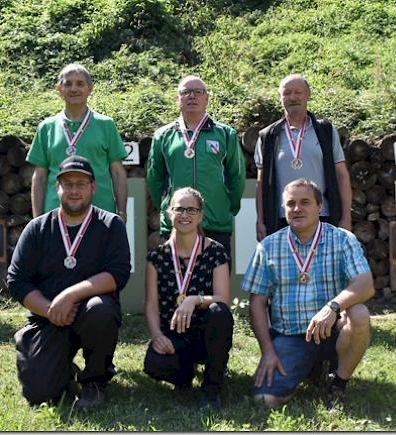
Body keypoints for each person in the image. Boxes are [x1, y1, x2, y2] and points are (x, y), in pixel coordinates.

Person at [7, 155, 131, 409]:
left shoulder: (110, 225)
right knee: (40, 393)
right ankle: (48, 355)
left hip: (90, 313)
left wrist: (70, 295)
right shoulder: (37, 228)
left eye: (81, 183)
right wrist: (50, 310)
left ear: (93, 187)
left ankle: (95, 381)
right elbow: (16, 281)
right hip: (48, 317)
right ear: (57, 187)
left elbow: (119, 273)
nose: (74, 190)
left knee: (101, 310)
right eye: (68, 184)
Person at [241, 178, 374, 409]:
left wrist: (332, 307)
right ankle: (311, 368)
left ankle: (338, 384)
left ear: (319, 206)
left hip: (333, 330)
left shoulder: (342, 239)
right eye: (290, 204)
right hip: (291, 335)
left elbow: (365, 284)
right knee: (265, 400)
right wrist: (268, 351)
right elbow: (257, 304)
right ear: (284, 209)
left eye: (305, 202)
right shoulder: (268, 246)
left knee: (359, 313)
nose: (297, 209)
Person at [143, 187, 233, 410]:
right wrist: (156, 336)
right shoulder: (156, 257)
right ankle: (184, 374)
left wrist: (194, 299)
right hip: (173, 335)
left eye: (192, 210)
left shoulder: (216, 251)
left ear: (201, 215)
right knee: (155, 365)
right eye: (179, 209)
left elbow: (222, 299)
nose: (185, 215)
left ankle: (211, 389)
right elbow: (152, 305)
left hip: (205, 332)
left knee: (219, 313)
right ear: (168, 213)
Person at [146, 75, 246, 263]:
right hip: (177, 224)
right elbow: (154, 177)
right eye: (186, 92)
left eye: (198, 92)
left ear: (206, 98)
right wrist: (166, 207)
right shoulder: (163, 135)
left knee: (217, 287)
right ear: (178, 99)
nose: (192, 96)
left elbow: (237, 176)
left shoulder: (225, 134)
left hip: (215, 222)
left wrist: (226, 206)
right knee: (176, 285)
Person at [254, 74, 352, 241]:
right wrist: (260, 221)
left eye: (298, 92)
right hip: (282, 219)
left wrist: (346, 217)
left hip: (323, 217)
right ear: (280, 97)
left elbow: (342, 175)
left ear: (308, 94)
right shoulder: (268, 136)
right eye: (287, 93)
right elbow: (261, 183)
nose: (292, 97)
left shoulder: (325, 131)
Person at [27, 63, 128, 223]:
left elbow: (117, 173)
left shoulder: (106, 125)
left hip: (101, 214)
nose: (74, 89)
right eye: (68, 84)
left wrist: (122, 212)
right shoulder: (46, 128)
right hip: (56, 215)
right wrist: (37, 219)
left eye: (80, 84)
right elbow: (39, 177)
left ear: (90, 88)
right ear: (59, 89)